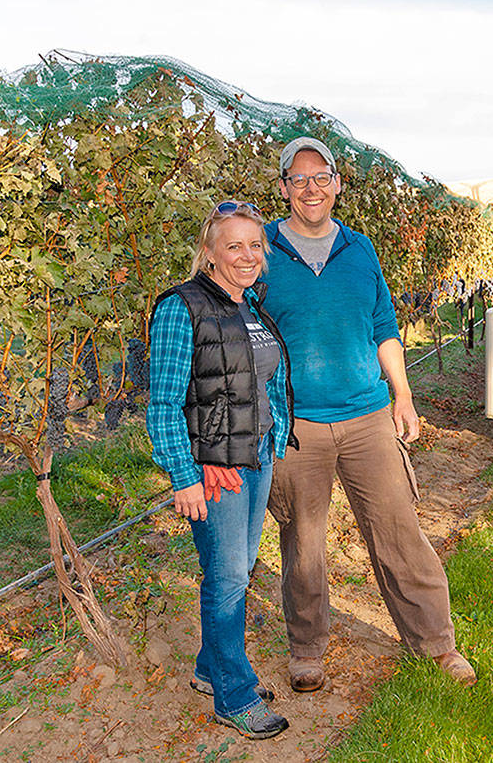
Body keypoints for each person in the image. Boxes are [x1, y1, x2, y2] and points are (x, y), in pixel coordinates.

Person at [253, 135, 476, 691]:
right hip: (297, 425)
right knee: (302, 542)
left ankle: (436, 643)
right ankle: (306, 648)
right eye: (298, 179)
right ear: (283, 188)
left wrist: (403, 395)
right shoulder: (261, 256)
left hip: (368, 415)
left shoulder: (361, 250)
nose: (310, 188)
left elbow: (383, 328)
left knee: (398, 530)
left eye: (320, 177)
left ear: (337, 185)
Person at [146, 200, 295, 740]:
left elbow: (260, 383)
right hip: (216, 474)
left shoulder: (251, 307)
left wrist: (273, 437)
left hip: (254, 461)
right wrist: (184, 474)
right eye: (234, 245)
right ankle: (234, 694)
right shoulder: (180, 307)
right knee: (229, 580)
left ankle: (211, 669)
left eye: (256, 245)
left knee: (237, 568)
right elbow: (163, 401)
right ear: (208, 252)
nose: (247, 255)